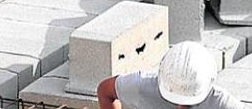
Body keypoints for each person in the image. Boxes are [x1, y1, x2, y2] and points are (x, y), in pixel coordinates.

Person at [97, 42, 241, 109]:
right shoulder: (141, 86)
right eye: (173, 101)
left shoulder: (223, 104)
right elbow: (105, 91)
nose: (181, 108)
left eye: (190, 105)